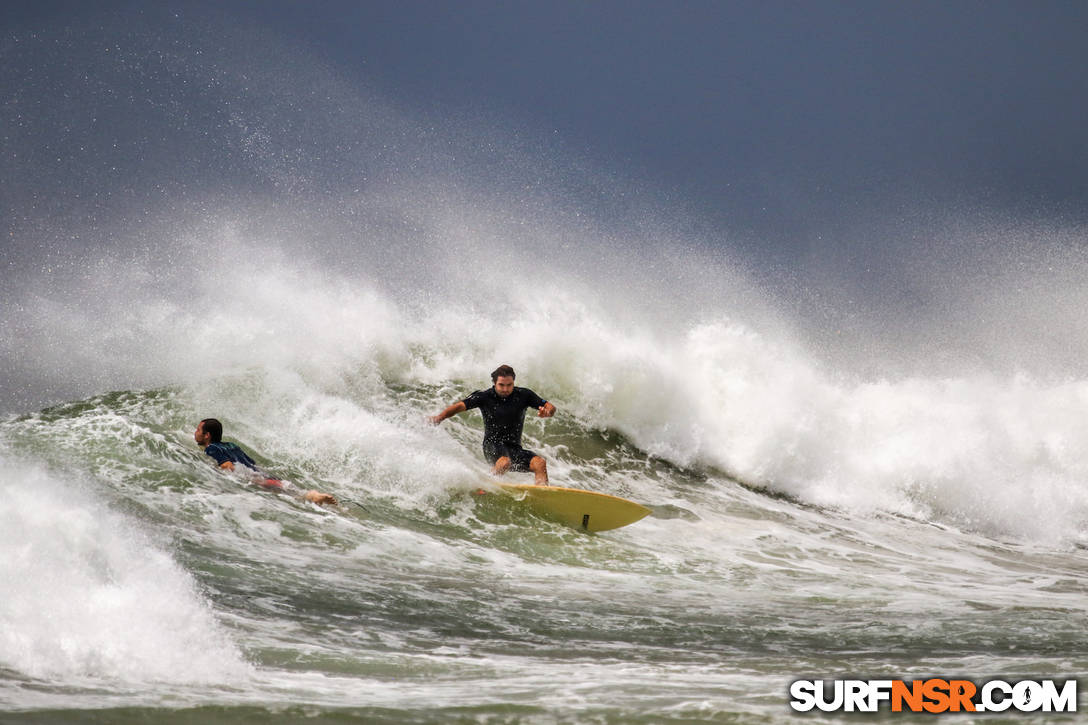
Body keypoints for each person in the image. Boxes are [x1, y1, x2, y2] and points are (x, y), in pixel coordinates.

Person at [430, 364, 557, 485]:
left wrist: (548, 412)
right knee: (504, 462)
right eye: (501, 385)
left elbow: (550, 407)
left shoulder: (524, 395)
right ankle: (486, 486)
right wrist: (439, 418)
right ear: (494, 383)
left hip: (514, 448)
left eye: (509, 385)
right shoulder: (484, 397)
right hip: (492, 445)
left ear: (514, 382)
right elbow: (459, 406)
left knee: (539, 463)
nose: (506, 389)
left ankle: (542, 491)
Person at [194, 418, 337, 505]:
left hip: (252, 477)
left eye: (198, 429)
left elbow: (228, 466)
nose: (195, 432)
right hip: (260, 472)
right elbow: (251, 462)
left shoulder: (211, 448)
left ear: (207, 435)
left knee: (290, 492)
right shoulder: (231, 445)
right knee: (287, 488)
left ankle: (313, 496)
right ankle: (316, 498)